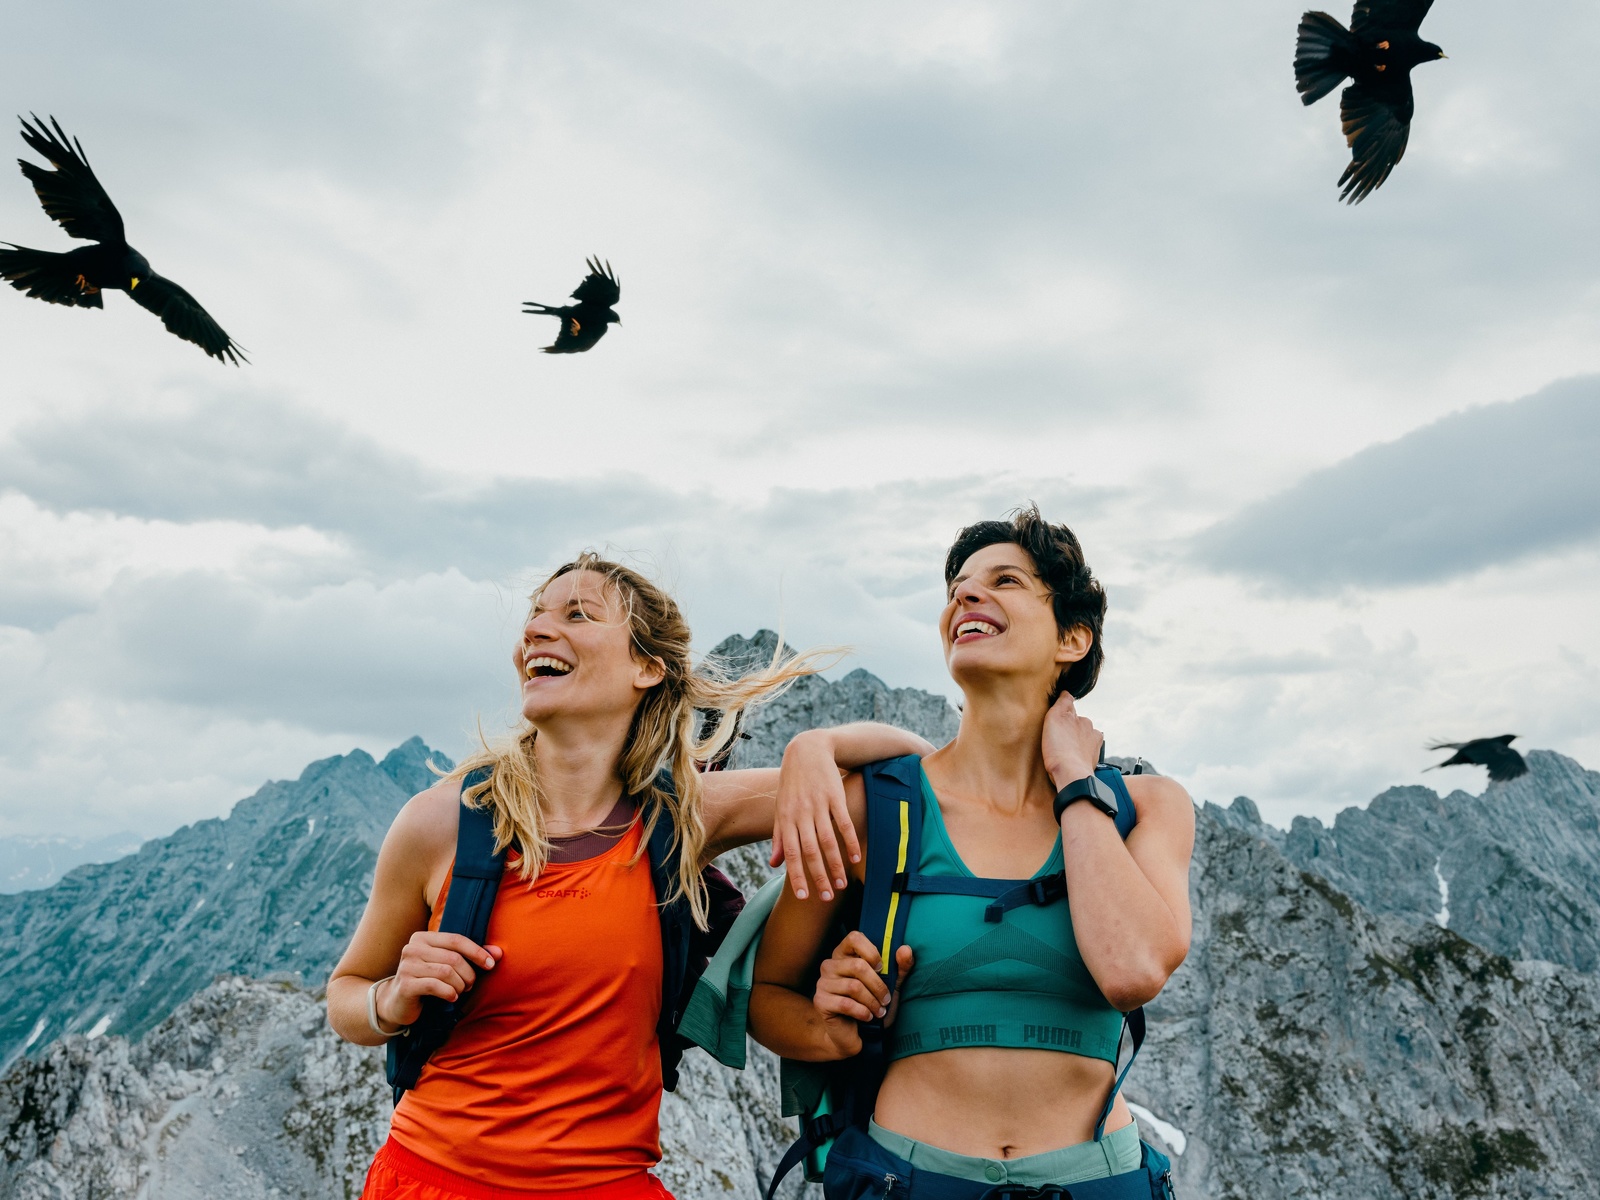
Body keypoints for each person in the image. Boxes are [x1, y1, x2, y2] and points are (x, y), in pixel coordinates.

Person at [327, 553, 933, 1200]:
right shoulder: (440, 823)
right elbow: (347, 997)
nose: (535, 630)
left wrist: (816, 747)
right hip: (428, 1180)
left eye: (577, 614)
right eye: (534, 616)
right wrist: (391, 1000)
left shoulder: (685, 816)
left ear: (647, 667)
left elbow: (915, 768)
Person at [749, 507, 1195, 1198]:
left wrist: (1077, 784)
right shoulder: (879, 809)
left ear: (1072, 639)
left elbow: (1133, 970)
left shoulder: (1150, 808)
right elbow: (768, 996)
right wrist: (828, 1024)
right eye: (957, 585)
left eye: (1005, 580)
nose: (965, 595)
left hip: (1099, 1182)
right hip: (907, 1179)